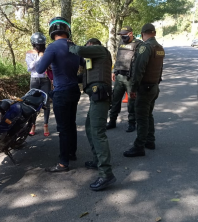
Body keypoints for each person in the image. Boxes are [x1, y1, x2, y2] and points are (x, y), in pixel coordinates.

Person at [35, 16, 84, 172]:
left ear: (52, 31)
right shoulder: (75, 47)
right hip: (74, 90)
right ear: (67, 30)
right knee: (71, 123)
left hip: (61, 92)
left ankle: (63, 163)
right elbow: (86, 63)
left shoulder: (52, 47)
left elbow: (39, 69)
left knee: (63, 127)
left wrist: (44, 57)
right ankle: (72, 153)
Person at [69, 38, 116, 191]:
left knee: (98, 132)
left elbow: (79, 50)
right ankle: (97, 160)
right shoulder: (94, 62)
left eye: (88, 47)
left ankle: (106, 174)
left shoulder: (99, 50)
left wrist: (68, 44)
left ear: (91, 45)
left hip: (100, 97)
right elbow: (84, 78)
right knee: (90, 128)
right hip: (96, 98)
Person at [123, 23, 165, 157]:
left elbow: (139, 69)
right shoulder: (159, 48)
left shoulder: (145, 48)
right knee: (148, 115)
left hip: (145, 88)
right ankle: (150, 140)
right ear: (154, 33)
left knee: (141, 117)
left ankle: (139, 146)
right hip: (154, 87)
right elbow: (160, 69)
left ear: (142, 34)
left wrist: (133, 88)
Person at [106, 26, 143, 133]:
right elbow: (118, 58)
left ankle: (132, 123)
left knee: (131, 102)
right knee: (115, 100)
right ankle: (112, 121)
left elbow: (140, 62)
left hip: (130, 78)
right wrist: (114, 71)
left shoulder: (138, 44)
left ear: (131, 33)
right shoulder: (120, 42)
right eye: (121, 35)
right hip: (119, 77)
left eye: (124, 34)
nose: (122, 36)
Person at [25, 32, 51, 137]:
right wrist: (39, 58)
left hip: (45, 80)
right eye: (37, 45)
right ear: (33, 44)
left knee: (46, 103)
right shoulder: (29, 53)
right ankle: (33, 125)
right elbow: (30, 68)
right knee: (32, 103)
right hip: (34, 79)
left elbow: (50, 66)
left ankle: (45, 125)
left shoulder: (47, 52)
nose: (39, 47)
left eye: (41, 45)